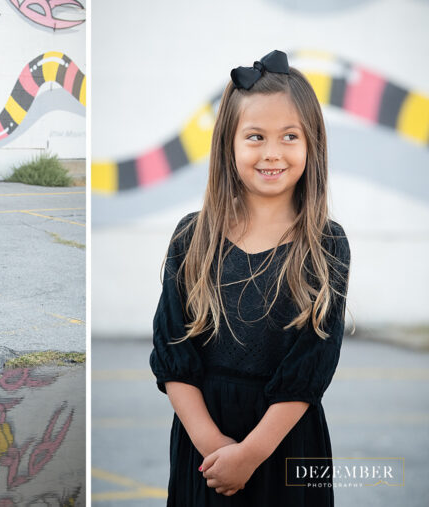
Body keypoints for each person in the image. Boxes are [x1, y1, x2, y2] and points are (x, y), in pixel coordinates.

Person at [149, 50, 351, 505]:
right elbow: (172, 353)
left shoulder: (326, 244)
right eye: (255, 136)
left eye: (289, 137)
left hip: (287, 442)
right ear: (229, 145)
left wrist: (252, 453)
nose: (272, 153)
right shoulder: (192, 237)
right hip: (203, 449)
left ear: (311, 144)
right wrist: (217, 449)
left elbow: (311, 366)